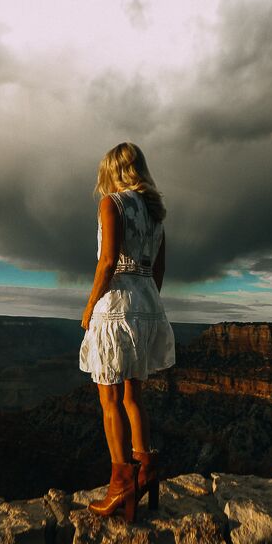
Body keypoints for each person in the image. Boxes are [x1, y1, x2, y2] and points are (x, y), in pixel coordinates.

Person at [79, 142, 176, 523]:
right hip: (147, 307)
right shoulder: (157, 216)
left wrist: (89, 308)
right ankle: (147, 472)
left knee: (109, 401)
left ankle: (121, 483)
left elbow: (107, 263)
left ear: (113, 171)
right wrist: (146, 306)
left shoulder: (112, 204)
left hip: (116, 308)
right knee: (134, 398)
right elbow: (159, 272)